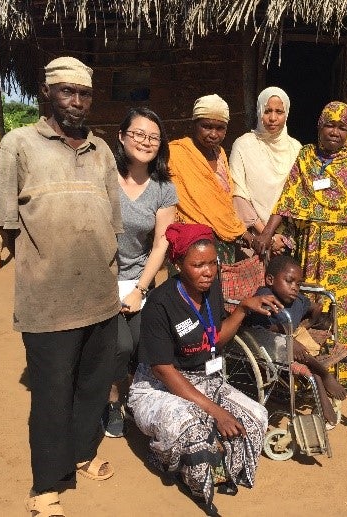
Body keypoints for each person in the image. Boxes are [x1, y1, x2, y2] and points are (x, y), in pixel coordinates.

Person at [0, 56, 121, 516]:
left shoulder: (101, 150)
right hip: (47, 298)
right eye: (67, 91)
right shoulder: (19, 144)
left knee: (93, 385)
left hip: (101, 296)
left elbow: (114, 220)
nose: (77, 101)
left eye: (84, 93)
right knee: (50, 392)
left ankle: (82, 454)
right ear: (47, 93)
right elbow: (7, 221)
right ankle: (46, 485)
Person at [128, 223, 280, 509]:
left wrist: (244, 308)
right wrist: (215, 411)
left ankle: (220, 472)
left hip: (203, 378)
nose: (208, 271)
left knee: (256, 417)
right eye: (198, 265)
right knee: (192, 429)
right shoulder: (160, 305)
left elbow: (215, 339)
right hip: (159, 386)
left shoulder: (211, 288)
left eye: (212, 263)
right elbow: (164, 370)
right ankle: (168, 461)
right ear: (177, 264)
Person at [253, 101, 347, 382]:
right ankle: (311, 368)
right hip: (313, 246)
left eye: (342, 127)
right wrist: (265, 234)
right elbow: (288, 198)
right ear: (319, 126)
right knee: (313, 304)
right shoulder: (306, 156)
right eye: (329, 124)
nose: (334, 132)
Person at [103, 107, 178, 438]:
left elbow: (161, 244)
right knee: (117, 345)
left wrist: (140, 290)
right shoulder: (103, 176)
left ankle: (133, 394)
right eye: (138, 134)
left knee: (137, 345)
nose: (145, 142)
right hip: (99, 279)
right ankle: (112, 400)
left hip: (137, 280)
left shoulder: (163, 187)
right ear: (121, 136)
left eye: (153, 137)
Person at [242, 255, 347, 428]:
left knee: (302, 339)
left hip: (289, 335)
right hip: (262, 342)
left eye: (298, 284)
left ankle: (319, 378)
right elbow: (265, 328)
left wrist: (310, 322)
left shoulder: (296, 300)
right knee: (293, 345)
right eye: (289, 281)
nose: (294, 288)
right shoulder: (265, 297)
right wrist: (288, 338)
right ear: (270, 279)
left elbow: (316, 308)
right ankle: (323, 376)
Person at [168, 94, 254, 264]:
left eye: (220, 128)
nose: (213, 134)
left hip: (223, 243)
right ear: (194, 124)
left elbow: (222, 204)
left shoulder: (220, 154)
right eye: (206, 126)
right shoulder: (175, 153)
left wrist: (243, 233)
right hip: (190, 244)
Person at [230, 86, 301, 253]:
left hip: (286, 240)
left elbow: (296, 195)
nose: (273, 118)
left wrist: (280, 239)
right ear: (259, 111)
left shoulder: (296, 149)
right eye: (267, 111)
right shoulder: (243, 145)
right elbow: (238, 193)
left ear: (287, 114)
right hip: (252, 236)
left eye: (279, 112)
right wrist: (265, 234)